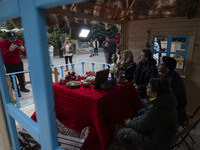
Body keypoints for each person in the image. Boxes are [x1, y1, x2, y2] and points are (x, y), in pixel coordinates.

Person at [118, 78, 178, 150]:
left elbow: (141, 125)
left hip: (157, 144)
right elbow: (146, 118)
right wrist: (133, 121)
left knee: (121, 133)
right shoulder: (166, 98)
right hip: (165, 137)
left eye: (149, 87)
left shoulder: (156, 108)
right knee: (141, 112)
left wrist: (129, 123)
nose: (146, 87)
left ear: (155, 93)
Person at [158, 56, 187, 123]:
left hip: (175, 111)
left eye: (161, 64)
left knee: (144, 112)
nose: (158, 65)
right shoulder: (171, 75)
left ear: (167, 69)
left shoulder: (171, 81)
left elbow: (167, 100)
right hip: (170, 107)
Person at [0, 32, 30, 97]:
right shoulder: (2, 43)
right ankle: (17, 90)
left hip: (18, 61)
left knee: (20, 75)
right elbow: (3, 56)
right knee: (12, 77)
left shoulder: (19, 41)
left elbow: (25, 54)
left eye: (14, 38)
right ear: (7, 38)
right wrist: (10, 50)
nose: (13, 40)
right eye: (11, 39)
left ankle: (22, 87)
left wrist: (23, 49)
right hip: (8, 63)